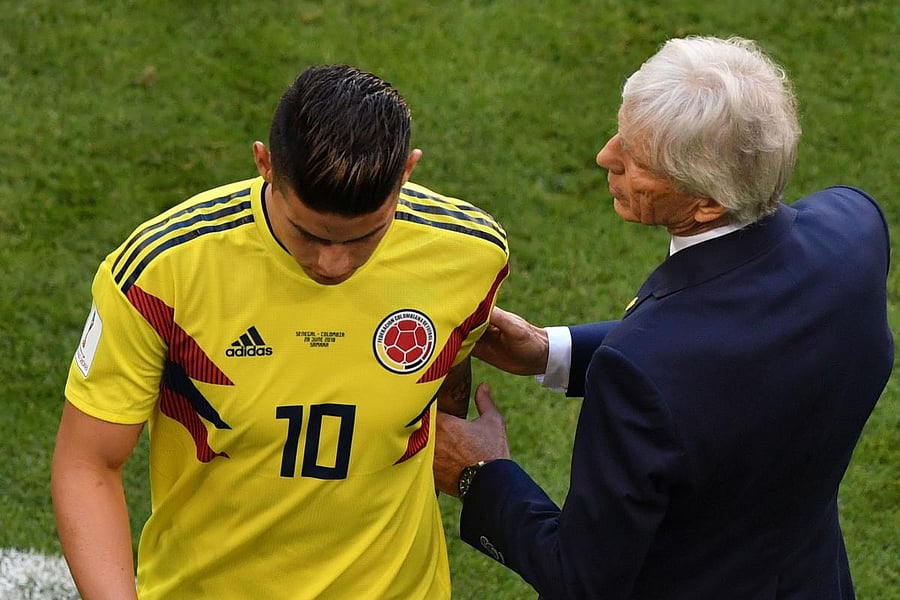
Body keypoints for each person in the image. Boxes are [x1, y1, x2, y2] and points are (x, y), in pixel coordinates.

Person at [433, 36, 893, 599]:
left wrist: (481, 475)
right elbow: (733, 353)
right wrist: (549, 352)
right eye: (621, 133)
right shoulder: (855, 230)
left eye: (636, 159)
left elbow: (584, 579)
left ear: (707, 204)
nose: (606, 156)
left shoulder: (643, 371)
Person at [52, 64, 509, 599]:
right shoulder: (163, 274)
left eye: (365, 237)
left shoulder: (469, 257)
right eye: (308, 234)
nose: (334, 264)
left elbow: (448, 370)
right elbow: (88, 463)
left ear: (407, 172)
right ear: (264, 164)